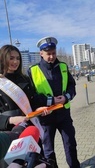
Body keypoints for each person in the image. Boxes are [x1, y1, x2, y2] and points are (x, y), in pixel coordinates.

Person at [27, 36, 80, 168]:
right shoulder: (33, 71)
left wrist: (66, 97)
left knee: (70, 145)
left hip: (63, 114)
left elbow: (71, 86)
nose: (51, 56)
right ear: (41, 53)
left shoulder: (63, 66)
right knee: (48, 150)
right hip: (46, 117)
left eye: (53, 53)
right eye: (48, 54)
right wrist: (50, 101)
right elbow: (31, 96)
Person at [0, 45, 50, 168]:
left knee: (34, 162)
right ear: (2, 59)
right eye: (11, 58)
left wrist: (38, 110)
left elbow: (32, 102)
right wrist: (11, 120)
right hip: (8, 134)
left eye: (18, 58)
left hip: (29, 130)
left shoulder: (25, 78)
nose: (15, 62)